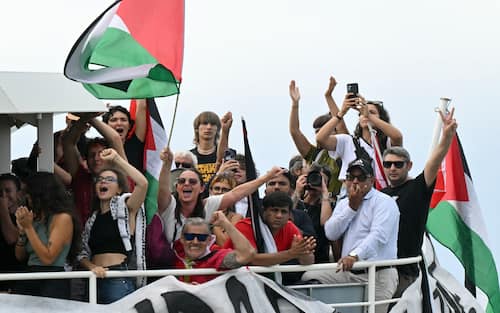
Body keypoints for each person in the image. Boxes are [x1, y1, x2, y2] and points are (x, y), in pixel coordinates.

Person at [301, 159, 399, 313]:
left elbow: (378, 236)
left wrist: (354, 256)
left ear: (371, 180)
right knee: (309, 276)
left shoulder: (384, 202)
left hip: (379, 273)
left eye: (360, 177)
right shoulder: (344, 203)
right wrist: (352, 208)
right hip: (349, 272)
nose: (355, 181)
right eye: (350, 177)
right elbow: (331, 232)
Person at [382, 109, 458, 298]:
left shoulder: (417, 188)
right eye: (388, 164)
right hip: (378, 269)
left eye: (398, 164)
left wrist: (447, 136)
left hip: (404, 272)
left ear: (409, 166)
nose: (392, 168)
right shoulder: (379, 195)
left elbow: (434, 161)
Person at [157, 147, 284, 243]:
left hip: (200, 266)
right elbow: (162, 187)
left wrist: (267, 177)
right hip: (170, 267)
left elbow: (236, 193)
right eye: (181, 181)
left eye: (192, 182)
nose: (186, 184)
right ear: (177, 187)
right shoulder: (169, 205)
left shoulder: (208, 205)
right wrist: (167, 164)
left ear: (202, 188)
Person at [78, 148, 148, 304]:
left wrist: (116, 159)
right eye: (100, 179)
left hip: (117, 278)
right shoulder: (92, 219)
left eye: (110, 179)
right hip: (93, 280)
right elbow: (81, 254)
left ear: (120, 189)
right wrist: (92, 267)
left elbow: (143, 184)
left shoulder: (126, 209)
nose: (103, 182)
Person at [14, 172, 80, 300]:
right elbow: (20, 256)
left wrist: (29, 228)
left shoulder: (62, 218)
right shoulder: (34, 218)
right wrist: (22, 232)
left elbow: (48, 258)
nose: (27, 197)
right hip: (30, 277)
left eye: (30, 193)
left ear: (41, 194)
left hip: (52, 281)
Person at [316, 90, 403, 181]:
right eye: (361, 113)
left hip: (380, 192)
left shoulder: (386, 143)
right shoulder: (348, 141)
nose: (364, 115)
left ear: (381, 118)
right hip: (351, 191)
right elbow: (320, 139)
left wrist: (368, 115)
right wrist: (341, 113)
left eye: (372, 112)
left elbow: (397, 137)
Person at [224, 192, 316, 274]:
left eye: (283, 212)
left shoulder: (290, 227)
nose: (279, 216)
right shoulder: (244, 226)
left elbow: (308, 262)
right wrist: (291, 253)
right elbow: (252, 259)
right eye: (274, 210)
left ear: (289, 215)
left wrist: (304, 253)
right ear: (263, 211)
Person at [289, 78, 346, 197]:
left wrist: (328, 97)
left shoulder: (346, 150)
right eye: (317, 132)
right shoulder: (315, 154)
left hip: (339, 204)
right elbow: (295, 131)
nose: (320, 134)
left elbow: (340, 123)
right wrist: (295, 104)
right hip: (316, 204)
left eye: (326, 130)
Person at [174, 211, 255, 284]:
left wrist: (225, 223)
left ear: (209, 240)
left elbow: (247, 254)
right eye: (190, 236)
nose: (195, 242)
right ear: (182, 238)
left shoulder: (215, 256)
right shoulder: (172, 253)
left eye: (201, 237)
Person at [293, 163, 334, 263]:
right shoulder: (296, 203)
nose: (316, 182)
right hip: (294, 259)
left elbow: (326, 224)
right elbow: (287, 216)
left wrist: (324, 194)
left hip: (319, 261)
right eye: (313, 178)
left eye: (321, 180)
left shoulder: (328, 206)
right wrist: (297, 191)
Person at [102, 102, 146, 171]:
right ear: (106, 125)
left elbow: (142, 106)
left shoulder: (135, 144)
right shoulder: (99, 148)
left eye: (123, 120)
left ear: (129, 126)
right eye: (113, 120)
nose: (119, 123)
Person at [0, 174, 25, 292]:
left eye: (8, 191)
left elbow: (12, 238)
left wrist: (3, 209)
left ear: (19, 194)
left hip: (16, 282)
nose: (4, 196)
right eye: (0, 192)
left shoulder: (25, 215)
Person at [208, 173, 243, 246]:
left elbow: (224, 244)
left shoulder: (236, 218)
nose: (220, 192)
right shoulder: (201, 212)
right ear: (210, 191)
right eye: (217, 188)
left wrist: (215, 223)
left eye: (225, 190)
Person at [190, 111, 222, 183]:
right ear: (197, 128)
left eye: (213, 124)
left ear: (217, 129)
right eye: (205, 123)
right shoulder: (188, 157)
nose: (209, 127)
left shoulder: (225, 154)